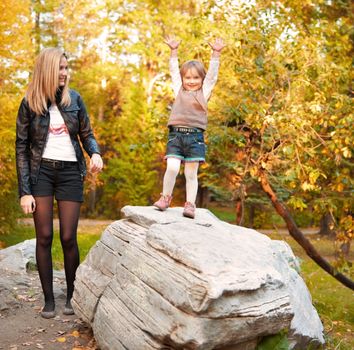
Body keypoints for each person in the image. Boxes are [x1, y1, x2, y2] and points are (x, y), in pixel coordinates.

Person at [16, 48, 103, 319]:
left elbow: (87, 133)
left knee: (68, 237)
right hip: (40, 173)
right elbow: (21, 147)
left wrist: (95, 152)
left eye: (67, 68)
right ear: (48, 70)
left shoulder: (74, 99)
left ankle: (72, 296)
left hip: (69, 172)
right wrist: (25, 191)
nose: (65, 73)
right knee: (44, 237)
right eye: (60, 68)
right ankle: (49, 300)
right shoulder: (30, 103)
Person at [153, 36, 225, 219]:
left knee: (191, 174)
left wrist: (216, 54)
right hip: (176, 137)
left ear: (201, 79)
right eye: (188, 78)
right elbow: (173, 72)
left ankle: (190, 204)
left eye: (196, 78)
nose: (191, 81)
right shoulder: (179, 89)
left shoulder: (204, 92)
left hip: (195, 138)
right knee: (172, 168)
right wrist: (173, 51)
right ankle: (165, 198)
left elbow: (213, 77)